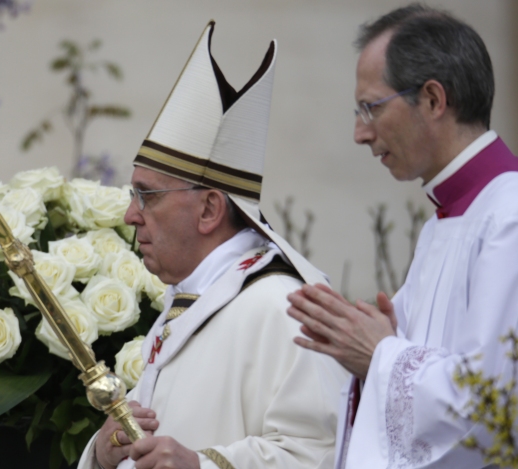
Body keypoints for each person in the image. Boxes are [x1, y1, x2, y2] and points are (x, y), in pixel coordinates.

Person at [77, 21, 348, 469]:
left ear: (209, 210)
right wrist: (104, 453)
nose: (130, 215)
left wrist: (203, 466)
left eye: (148, 195)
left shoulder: (284, 308)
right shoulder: (186, 300)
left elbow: (320, 453)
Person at [286, 4, 518, 468]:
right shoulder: (444, 222)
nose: (359, 133)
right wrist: (372, 346)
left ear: (433, 100)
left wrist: (378, 352)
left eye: (371, 108)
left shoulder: (508, 216)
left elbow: (492, 404)